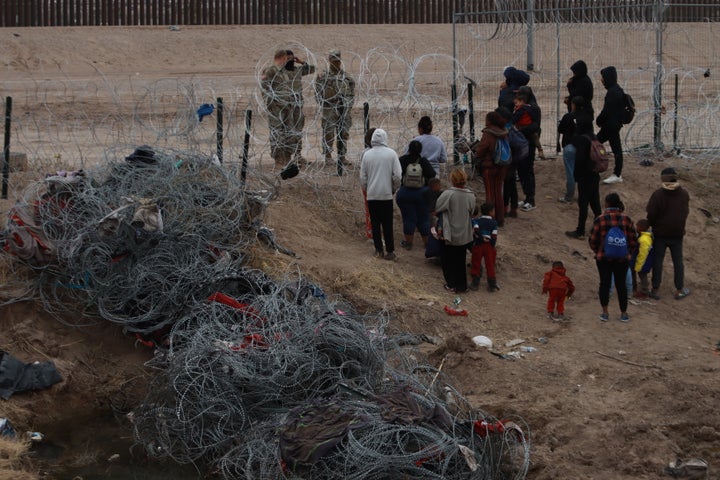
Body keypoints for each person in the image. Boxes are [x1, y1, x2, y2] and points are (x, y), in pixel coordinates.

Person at [588, 192, 638, 322]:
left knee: (604, 283)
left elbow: (593, 239)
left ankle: (605, 313)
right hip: (622, 259)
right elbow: (633, 240)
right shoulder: (627, 219)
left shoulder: (600, 219)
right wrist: (627, 253)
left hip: (604, 259)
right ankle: (624, 313)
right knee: (621, 285)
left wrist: (599, 251)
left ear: (607, 203)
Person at [646, 167, 691, 300]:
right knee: (678, 261)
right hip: (677, 233)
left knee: (658, 261)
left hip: (661, 233)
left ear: (663, 179)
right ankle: (679, 289)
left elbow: (651, 214)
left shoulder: (658, 194)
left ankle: (655, 289)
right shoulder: (684, 194)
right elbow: (685, 212)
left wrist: (651, 225)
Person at [360, 128, 402, 261]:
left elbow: (363, 177)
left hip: (372, 195)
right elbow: (397, 176)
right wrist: (393, 189)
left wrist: (368, 189)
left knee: (375, 224)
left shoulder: (367, 155)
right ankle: (390, 251)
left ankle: (378, 250)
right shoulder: (391, 154)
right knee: (387, 224)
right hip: (386, 195)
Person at [314, 50, 355, 175]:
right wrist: (326, 103)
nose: (336, 63)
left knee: (343, 133)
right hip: (329, 108)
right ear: (329, 60)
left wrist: (348, 104)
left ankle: (342, 156)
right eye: (333, 60)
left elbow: (351, 92)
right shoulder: (323, 76)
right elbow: (318, 93)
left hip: (344, 109)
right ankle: (328, 156)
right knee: (329, 133)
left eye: (338, 60)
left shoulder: (345, 76)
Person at [565, 97, 601, 239]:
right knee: (596, 203)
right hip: (594, 174)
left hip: (585, 176)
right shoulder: (593, 137)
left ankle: (580, 230)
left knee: (583, 204)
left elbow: (580, 159)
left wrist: (576, 175)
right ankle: (601, 226)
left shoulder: (581, 139)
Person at [435, 168, 475, 293]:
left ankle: (451, 284)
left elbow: (438, 208)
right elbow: (472, 211)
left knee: (447, 260)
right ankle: (462, 286)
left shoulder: (448, 194)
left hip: (449, 232)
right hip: (464, 233)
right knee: (460, 260)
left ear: (452, 180)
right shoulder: (470, 195)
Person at [396, 140, 436, 250]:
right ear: (420, 150)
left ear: (409, 149)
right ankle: (427, 243)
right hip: (422, 193)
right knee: (423, 219)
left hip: (405, 193)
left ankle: (408, 243)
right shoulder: (423, 161)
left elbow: (396, 173)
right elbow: (432, 174)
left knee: (408, 218)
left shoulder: (403, 160)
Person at [471, 111, 509, 226]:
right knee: (499, 191)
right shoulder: (504, 132)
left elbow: (481, 150)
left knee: (490, 193)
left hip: (489, 166)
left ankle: (489, 219)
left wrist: (476, 151)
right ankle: (500, 219)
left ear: (490, 121)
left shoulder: (488, 133)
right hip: (503, 165)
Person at [260, 50, 294, 168]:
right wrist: (271, 104)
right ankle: (278, 159)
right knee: (277, 133)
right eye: (286, 58)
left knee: (288, 132)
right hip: (276, 108)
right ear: (282, 58)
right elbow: (264, 88)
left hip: (287, 106)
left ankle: (287, 158)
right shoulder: (270, 71)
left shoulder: (283, 72)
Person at [284, 50, 315, 166]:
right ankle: (287, 157)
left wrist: (301, 62)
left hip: (297, 105)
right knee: (287, 131)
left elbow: (312, 69)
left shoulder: (297, 71)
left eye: (292, 59)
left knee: (298, 130)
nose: (290, 61)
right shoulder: (281, 73)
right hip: (286, 106)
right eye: (288, 59)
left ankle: (298, 155)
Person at [512, 88, 540, 211]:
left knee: (527, 171)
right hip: (521, 143)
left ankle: (531, 199)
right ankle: (527, 198)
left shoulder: (532, 109)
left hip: (528, 143)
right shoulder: (522, 108)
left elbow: (535, 127)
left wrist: (520, 130)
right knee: (522, 171)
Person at [596, 66, 625, 184]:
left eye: (603, 77)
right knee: (615, 148)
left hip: (610, 126)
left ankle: (615, 174)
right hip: (613, 125)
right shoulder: (617, 90)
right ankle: (616, 173)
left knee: (594, 145)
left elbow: (606, 111)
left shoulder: (613, 93)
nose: (601, 80)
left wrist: (599, 120)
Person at [495, 107, 521, 219]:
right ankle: (514, 209)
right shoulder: (513, 127)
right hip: (515, 159)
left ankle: (504, 209)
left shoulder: (503, 130)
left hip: (506, 160)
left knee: (505, 184)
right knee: (512, 183)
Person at [470, 202, 500, 292]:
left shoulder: (477, 221)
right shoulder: (494, 223)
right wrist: (492, 245)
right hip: (489, 246)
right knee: (490, 264)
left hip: (478, 245)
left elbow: (475, 231)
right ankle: (492, 284)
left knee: (476, 262)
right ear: (491, 212)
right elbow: (494, 235)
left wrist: (480, 238)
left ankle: (475, 282)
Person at [557, 98, 578, 204]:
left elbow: (560, 129)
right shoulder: (586, 116)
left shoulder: (568, 116)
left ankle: (569, 196)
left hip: (569, 146)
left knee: (571, 172)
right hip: (582, 146)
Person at [632, 218, 654, 299]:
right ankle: (643, 289)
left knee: (643, 275)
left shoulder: (644, 239)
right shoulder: (645, 237)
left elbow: (643, 254)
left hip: (644, 262)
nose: (636, 227)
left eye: (637, 226)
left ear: (641, 228)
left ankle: (644, 292)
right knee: (642, 275)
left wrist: (639, 265)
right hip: (645, 261)